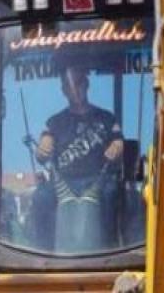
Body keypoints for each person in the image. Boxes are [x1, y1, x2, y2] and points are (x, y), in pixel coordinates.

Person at [31, 65, 125, 252]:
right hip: (64, 184)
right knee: (41, 196)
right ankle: (42, 255)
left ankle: (110, 251)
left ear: (87, 84)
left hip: (99, 180)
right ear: (63, 90)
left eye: (79, 83)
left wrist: (117, 146)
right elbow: (42, 151)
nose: (75, 89)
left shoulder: (106, 118)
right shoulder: (54, 122)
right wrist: (42, 149)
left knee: (113, 193)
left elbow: (119, 141)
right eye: (69, 85)